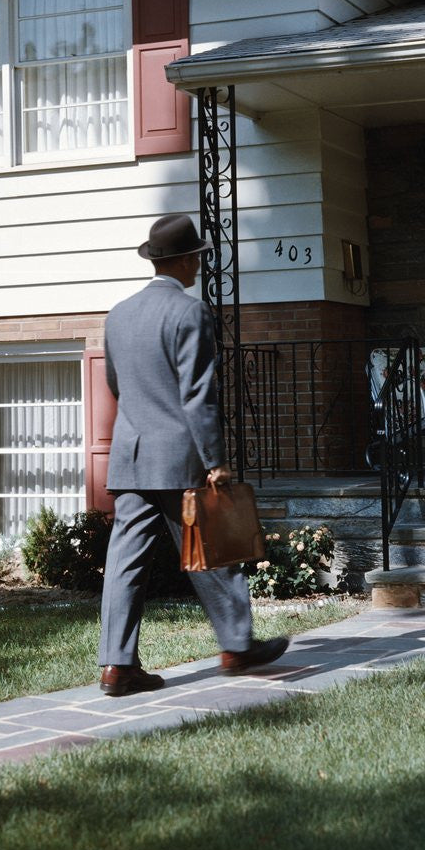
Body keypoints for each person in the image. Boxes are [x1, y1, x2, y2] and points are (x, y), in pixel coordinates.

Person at [98, 213, 288, 696]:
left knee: (125, 564)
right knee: (213, 548)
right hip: (179, 455)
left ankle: (117, 667)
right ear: (183, 260)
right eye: (198, 259)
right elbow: (198, 395)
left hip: (130, 454)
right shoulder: (189, 312)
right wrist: (215, 459)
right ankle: (237, 646)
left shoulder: (118, 313)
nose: (200, 268)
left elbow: (116, 386)